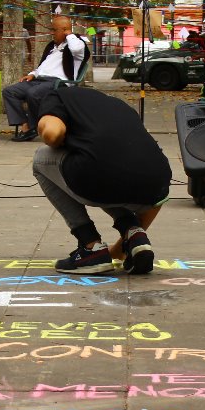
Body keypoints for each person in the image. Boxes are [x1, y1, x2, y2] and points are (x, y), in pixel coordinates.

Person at [31, 85, 170, 275]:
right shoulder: (114, 104)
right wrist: (118, 250)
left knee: (41, 159)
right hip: (156, 181)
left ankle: (90, 246)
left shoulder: (54, 96)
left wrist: (49, 132)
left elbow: (53, 133)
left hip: (100, 176)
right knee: (106, 165)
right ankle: (135, 235)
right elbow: (158, 200)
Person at [6, 15, 87, 142]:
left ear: (65, 30)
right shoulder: (52, 47)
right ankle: (26, 125)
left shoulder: (77, 45)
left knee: (33, 93)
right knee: (10, 91)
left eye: (54, 30)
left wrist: (69, 34)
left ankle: (32, 127)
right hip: (39, 80)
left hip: (59, 83)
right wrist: (33, 74)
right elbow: (43, 66)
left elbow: (76, 48)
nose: (51, 33)